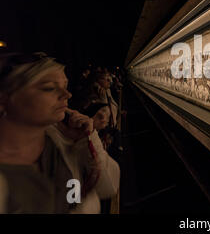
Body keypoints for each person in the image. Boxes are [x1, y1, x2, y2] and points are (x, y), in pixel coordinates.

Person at [0, 52, 120, 213]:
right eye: (49, 88)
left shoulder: (62, 142)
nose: (67, 95)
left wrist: (87, 141)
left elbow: (106, 188)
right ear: (4, 99)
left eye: (65, 86)